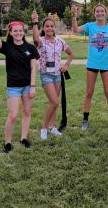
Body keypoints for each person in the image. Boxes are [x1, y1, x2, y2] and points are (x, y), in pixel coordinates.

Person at [0, 8, 39, 153]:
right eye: (15, 31)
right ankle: (7, 142)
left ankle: (24, 138)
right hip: (13, 87)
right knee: (12, 115)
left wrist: (33, 86)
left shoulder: (30, 48)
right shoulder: (6, 47)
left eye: (20, 30)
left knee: (27, 112)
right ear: (10, 33)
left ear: (24, 32)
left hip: (27, 86)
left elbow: (33, 68)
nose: (18, 33)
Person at [71, 3, 108, 131]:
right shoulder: (90, 26)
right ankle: (85, 119)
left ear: (106, 12)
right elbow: (75, 30)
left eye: (102, 11)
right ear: (94, 13)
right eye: (97, 11)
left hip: (106, 65)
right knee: (89, 93)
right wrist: (74, 16)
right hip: (92, 64)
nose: (99, 13)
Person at [31, 11, 73, 140]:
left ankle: (52, 127)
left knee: (53, 102)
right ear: (43, 28)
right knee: (54, 102)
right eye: (47, 26)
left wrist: (66, 65)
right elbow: (35, 39)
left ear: (55, 28)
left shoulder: (60, 41)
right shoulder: (41, 41)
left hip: (57, 76)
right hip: (46, 75)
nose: (49, 28)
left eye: (52, 26)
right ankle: (44, 128)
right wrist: (34, 22)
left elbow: (71, 54)